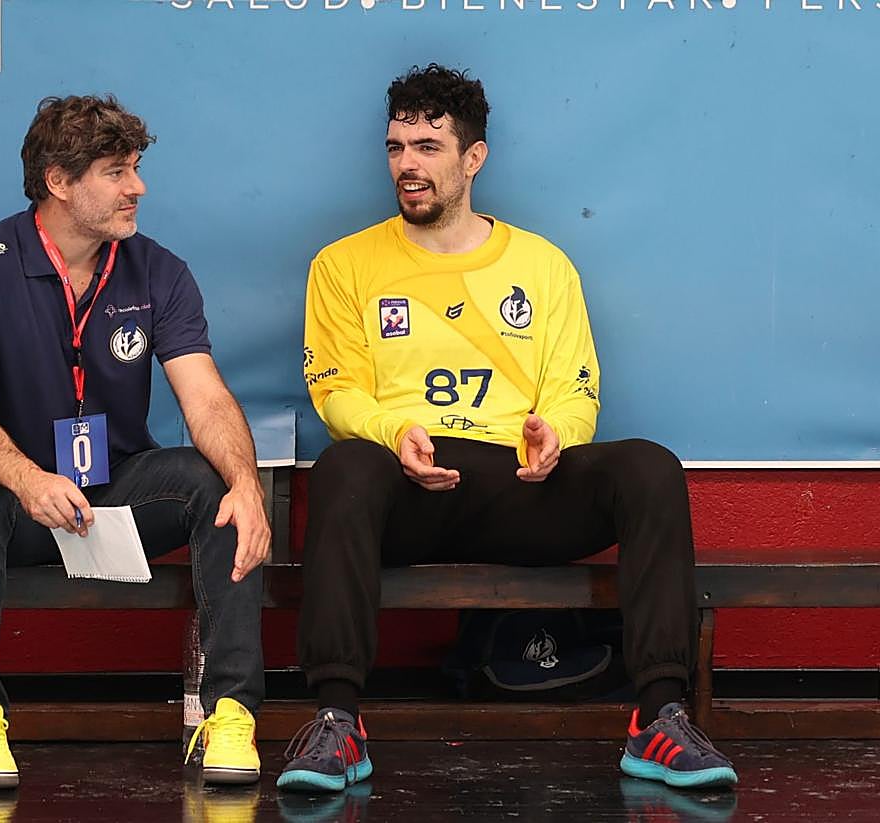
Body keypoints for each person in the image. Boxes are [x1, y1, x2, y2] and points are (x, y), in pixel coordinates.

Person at [279, 65, 737, 793]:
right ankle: (337, 722)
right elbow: (336, 390)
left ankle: (658, 717)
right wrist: (394, 431)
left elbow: (575, 386)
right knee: (343, 468)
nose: (407, 165)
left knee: (650, 466)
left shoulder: (543, 265)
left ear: (474, 157)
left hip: (521, 485)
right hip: (408, 487)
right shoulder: (343, 265)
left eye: (428, 147)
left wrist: (557, 433)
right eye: (396, 147)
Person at [0, 95, 268, 789]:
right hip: (18, 502)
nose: (137, 187)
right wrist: (28, 479)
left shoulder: (157, 269)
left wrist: (246, 483)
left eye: (135, 167)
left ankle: (230, 713)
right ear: (58, 181)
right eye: (116, 171)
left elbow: (205, 398)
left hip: (114, 493)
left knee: (219, 485)